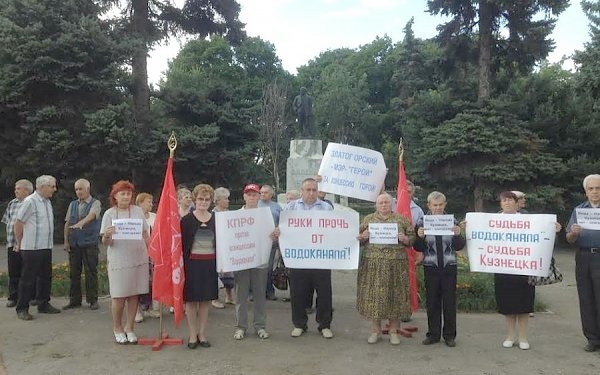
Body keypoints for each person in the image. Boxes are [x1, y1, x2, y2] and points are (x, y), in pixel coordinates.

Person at [494, 191, 560, 350]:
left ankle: (523, 337)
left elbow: (544, 239)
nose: (507, 203)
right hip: (503, 268)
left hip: (525, 267)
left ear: (517, 203)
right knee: (508, 304)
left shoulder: (530, 220)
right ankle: (510, 336)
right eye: (504, 200)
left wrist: (554, 231)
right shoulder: (492, 220)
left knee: (524, 303)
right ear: (500, 203)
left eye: (511, 200)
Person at [278, 178, 335, 339]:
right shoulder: (291, 207)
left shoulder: (326, 208)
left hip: (321, 258)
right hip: (298, 258)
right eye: (308, 190)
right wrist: (278, 232)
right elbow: (282, 228)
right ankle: (299, 324)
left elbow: (335, 230)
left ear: (318, 191)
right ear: (302, 191)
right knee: (297, 293)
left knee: (324, 293)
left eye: (314, 190)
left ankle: (324, 325)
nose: (311, 193)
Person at [357, 193, 415, 345]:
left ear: (392, 204)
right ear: (376, 205)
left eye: (386, 202)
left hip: (395, 265)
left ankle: (394, 331)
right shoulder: (368, 219)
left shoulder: (401, 219)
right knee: (375, 297)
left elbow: (412, 237)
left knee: (394, 296)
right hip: (373, 265)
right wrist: (362, 237)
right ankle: (375, 330)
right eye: (381, 202)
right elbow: (357, 239)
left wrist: (406, 239)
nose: (383, 205)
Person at [101, 180, 150, 344]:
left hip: (138, 257)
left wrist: (152, 252)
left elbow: (145, 233)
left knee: (134, 294)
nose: (126, 196)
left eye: (128, 194)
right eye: (122, 193)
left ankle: (130, 327)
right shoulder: (109, 214)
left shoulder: (137, 211)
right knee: (119, 295)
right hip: (119, 259)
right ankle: (117, 327)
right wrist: (107, 235)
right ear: (115, 196)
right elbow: (105, 242)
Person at [414, 191, 465, 347]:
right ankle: (433, 334)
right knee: (432, 302)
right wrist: (419, 236)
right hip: (431, 267)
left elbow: (459, 246)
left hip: (449, 267)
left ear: (445, 205)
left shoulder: (452, 221)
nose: (437, 208)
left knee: (449, 302)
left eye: (440, 204)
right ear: (428, 205)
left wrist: (458, 234)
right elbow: (417, 247)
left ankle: (449, 335)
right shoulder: (422, 222)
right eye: (434, 205)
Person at [14, 175, 60, 320]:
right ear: (42, 187)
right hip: (32, 248)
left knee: (45, 276)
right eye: (52, 186)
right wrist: (18, 242)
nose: (55, 189)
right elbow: (19, 222)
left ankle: (43, 303)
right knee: (28, 278)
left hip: (45, 246)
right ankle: (22, 308)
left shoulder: (46, 202)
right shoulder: (30, 202)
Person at [181, 184, 218, 349]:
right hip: (191, 265)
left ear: (211, 200)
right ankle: (192, 334)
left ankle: (202, 333)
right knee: (190, 301)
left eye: (207, 199)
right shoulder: (187, 220)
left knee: (205, 300)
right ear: (195, 200)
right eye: (200, 199)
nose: (203, 202)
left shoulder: (216, 219)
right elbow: (180, 245)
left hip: (209, 264)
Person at [566, 174, 600, 352]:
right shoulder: (579, 210)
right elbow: (569, 239)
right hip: (583, 257)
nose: (595, 192)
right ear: (586, 192)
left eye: (598, 188)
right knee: (586, 298)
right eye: (591, 189)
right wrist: (573, 232)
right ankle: (592, 339)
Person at [233, 184, 271, 340]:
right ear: (244, 197)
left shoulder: (265, 215)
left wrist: (274, 234)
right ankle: (240, 327)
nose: (251, 197)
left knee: (260, 295)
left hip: (260, 261)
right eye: (249, 194)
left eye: (254, 194)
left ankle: (260, 326)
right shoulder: (235, 216)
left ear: (258, 197)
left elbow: (271, 235)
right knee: (240, 296)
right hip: (241, 261)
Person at [62, 179, 101, 311]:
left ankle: (92, 300)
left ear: (88, 189)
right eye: (77, 189)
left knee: (91, 272)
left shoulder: (96, 203)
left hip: (90, 243)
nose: (78, 192)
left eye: (81, 189)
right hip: (74, 243)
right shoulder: (72, 204)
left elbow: (92, 216)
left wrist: (80, 224)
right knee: (74, 273)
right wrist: (66, 241)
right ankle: (74, 300)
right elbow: (67, 223)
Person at [1, 179, 34, 308]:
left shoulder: (32, 203)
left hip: (27, 244)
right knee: (13, 271)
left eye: (18, 188)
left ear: (26, 190)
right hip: (12, 243)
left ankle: (30, 297)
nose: (15, 191)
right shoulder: (12, 203)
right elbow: (8, 221)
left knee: (28, 271)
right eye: (15, 188)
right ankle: (13, 297)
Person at [135, 193, 160, 320]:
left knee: (151, 281)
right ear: (140, 203)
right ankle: (137, 310)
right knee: (139, 281)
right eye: (148, 202)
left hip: (152, 253)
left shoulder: (155, 216)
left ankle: (149, 307)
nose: (151, 204)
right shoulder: (134, 217)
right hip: (138, 253)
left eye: (151, 202)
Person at [258, 184, 282, 301]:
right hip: (257, 243)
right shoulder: (255, 206)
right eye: (261, 192)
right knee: (256, 268)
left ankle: (269, 291)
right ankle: (254, 292)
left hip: (271, 243)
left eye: (265, 192)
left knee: (268, 268)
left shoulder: (277, 207)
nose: (262, 194)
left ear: (271, 194)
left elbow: (282, 223)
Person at [212, 187, 234, 307]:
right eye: (225, 199)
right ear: (218, 200)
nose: (228, 201)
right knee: (216, 273)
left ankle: (229, 296)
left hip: (228, 247)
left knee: (229, 273)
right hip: (217, 248)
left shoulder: (229, 214)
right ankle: (214, 299)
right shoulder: (213, 214)